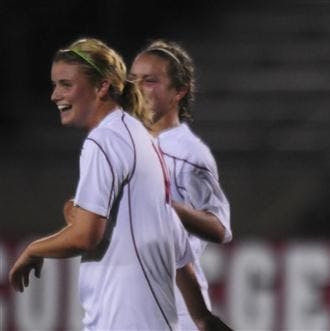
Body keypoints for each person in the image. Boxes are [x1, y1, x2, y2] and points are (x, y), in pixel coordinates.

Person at [7, 38, 227, 330]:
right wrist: (202, 317)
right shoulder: (140, 137)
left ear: (101, 87)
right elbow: (170, 234)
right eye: (55, 84)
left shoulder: (104, 142)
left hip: (123, 319)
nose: (54, 95)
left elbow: (86, 237)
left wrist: (34, 248)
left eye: (65, 84)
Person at [129, 39, 233, 330]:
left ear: (179, 91)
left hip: (174, 303)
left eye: (150, 81)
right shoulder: (126, 143)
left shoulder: (187, 153)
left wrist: (169, 209)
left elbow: (220, 228)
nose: (137, 88)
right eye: (133, 80)